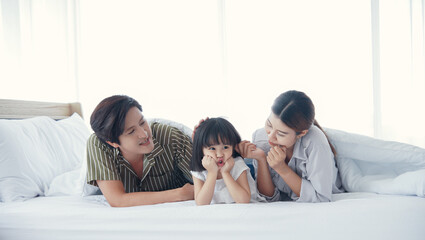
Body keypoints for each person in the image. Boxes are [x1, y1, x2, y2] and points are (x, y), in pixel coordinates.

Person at [86, 95, 194, 207]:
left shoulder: (170, 136)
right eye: (131, 131)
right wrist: (180, 194)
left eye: (142, 122)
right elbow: (117, 200)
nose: (144, 134)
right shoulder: (98, 144)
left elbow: (209, 181)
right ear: (112, 142)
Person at [237, 90, 344, 202]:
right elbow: (267, 198)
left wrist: (282, 169)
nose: (271, 137)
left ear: (301, 133)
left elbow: (320, 198)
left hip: (337, 170)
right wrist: (261, 160)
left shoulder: (315, 142)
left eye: (281, 133)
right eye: (269, 124)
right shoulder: (261, 136)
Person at [190, 117, 265, 205]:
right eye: (212, 148)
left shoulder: (237, 164)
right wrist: (212, 173)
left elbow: (243, 200)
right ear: (201, 149)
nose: (219, 154)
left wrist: (226, 173)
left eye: (225, 147)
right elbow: (201, 203)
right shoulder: (199, 169)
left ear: (233, 147)